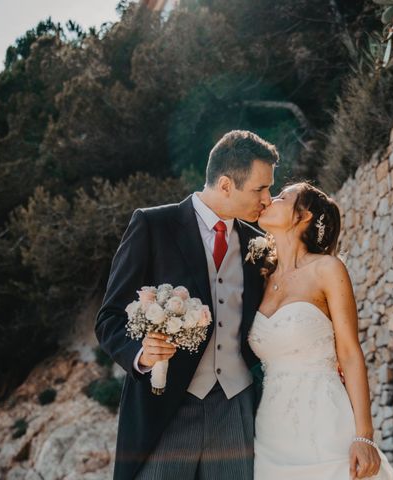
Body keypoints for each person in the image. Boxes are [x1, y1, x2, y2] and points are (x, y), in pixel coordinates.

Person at [95, 130, 277, 480]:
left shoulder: (258, 244)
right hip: (168, 407)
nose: (268, 199)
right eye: (260, 189)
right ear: (225, 185)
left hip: (235, 407)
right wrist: (142, 354)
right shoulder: (153, 225)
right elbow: (109, 317)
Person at [249, 182, 393, 480]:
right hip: (270, 429)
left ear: (303, 216)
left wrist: (365, 436)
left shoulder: (327, 270)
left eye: (281, 197)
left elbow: (350, 354)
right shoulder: (260, 276)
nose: (269, 200)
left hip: (326, 422)